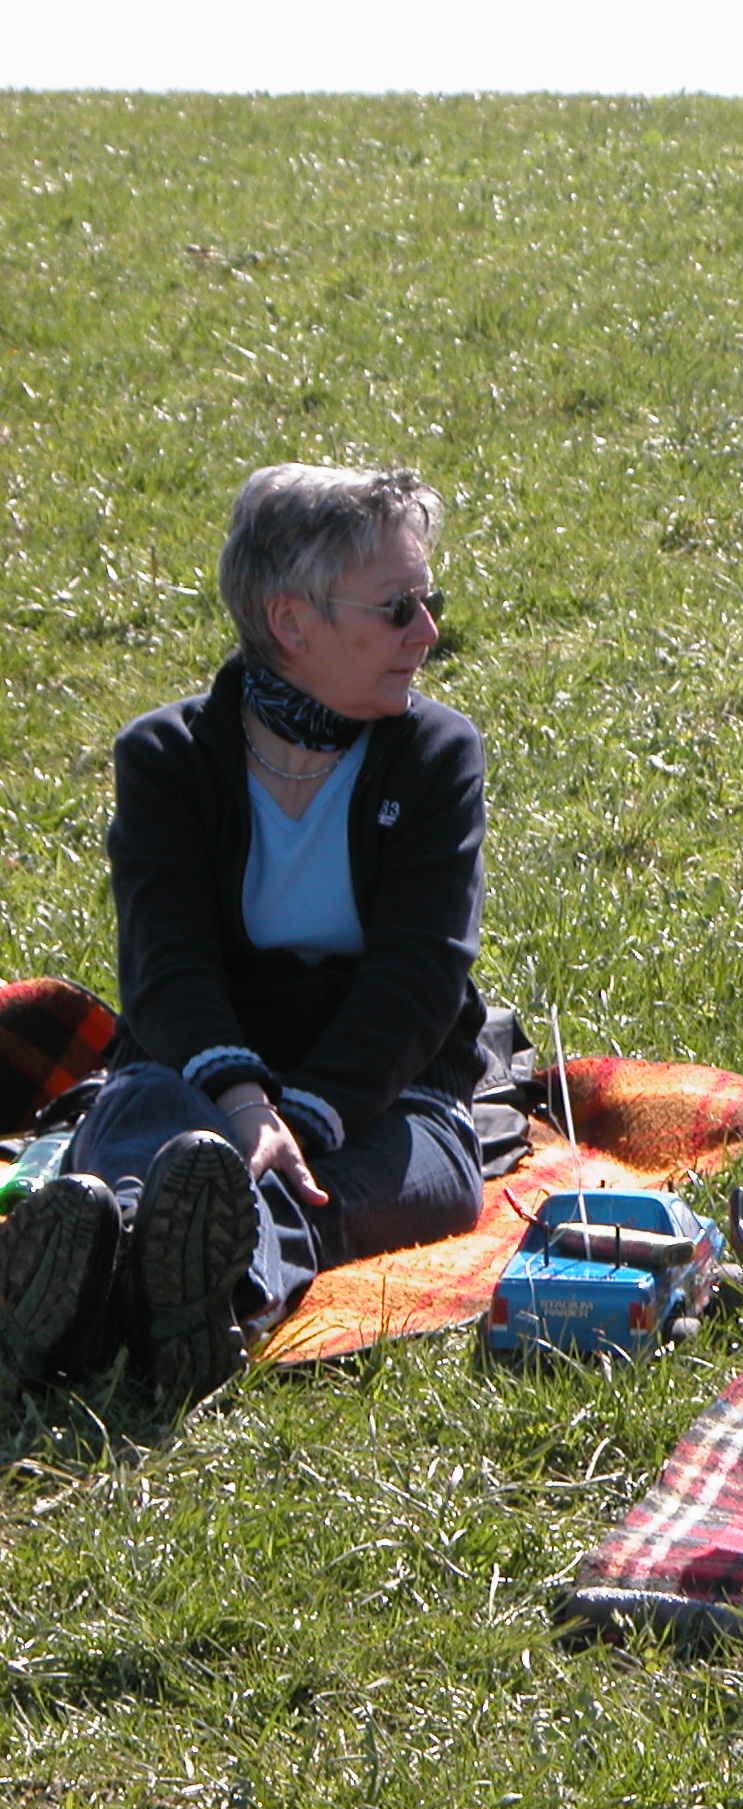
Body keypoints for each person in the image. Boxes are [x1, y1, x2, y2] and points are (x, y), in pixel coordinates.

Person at [0, 464, 490, 1397]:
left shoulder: (435, 755)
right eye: (397, 609)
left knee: (407, 1178)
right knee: (152, 1122)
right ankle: (191, 1292)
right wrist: (241, 1102)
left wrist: (300, 1118)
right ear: (291, 622)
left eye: (430, 602)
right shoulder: (166, 757)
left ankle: (119, 1286)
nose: (428, 632)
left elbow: (419, 980)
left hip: (377, 1095)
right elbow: (165, 966)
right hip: (199, 1078)